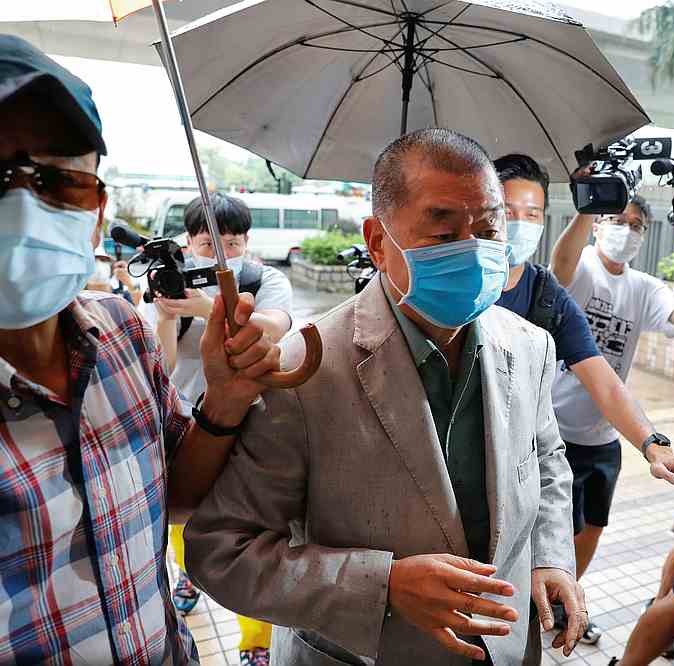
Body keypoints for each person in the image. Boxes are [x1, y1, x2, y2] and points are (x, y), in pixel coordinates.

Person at [183, 129, 585, 665]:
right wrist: (383, 586)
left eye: (489, 229)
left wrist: (551, 557)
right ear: (377, 241)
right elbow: (221, 550)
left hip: (503, 647)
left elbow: (549, 462)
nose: (472, 250)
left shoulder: (530, 345)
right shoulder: (304, 370)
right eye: (442, 234)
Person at [0, 34, 281, 663]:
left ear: (97, 212)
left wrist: (228, 397)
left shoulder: (118, 334)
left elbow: (176, 499)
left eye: (57, 180)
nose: (23, 207)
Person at [491, 153, 674, 645]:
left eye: (532, 214)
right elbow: (566, 259)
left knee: (577, 531)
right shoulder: (472, 287)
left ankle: (558, 598)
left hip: (560, 446)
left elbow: (605, 378)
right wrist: (589, 205)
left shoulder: (548, 294)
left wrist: (653, 444)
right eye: (508, 211)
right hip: (500, 454)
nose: (521, 224)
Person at [139, 193, 293, 666]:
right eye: (209, 244)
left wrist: (209, 308)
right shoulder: (168, 285)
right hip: (187, 433)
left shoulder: (261, 279)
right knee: (184, 525)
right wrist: (167, 316)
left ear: (247, 242)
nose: (222, 253)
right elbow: (157, 370)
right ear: (187, 243)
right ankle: (190, 573)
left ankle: (255, 645)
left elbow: (275, 329)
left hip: (252, 432)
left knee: (256, 542)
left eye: (233, 242)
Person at [546, 196, 674, 638]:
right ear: (598, 225)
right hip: (552, 433)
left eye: (637, 225)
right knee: (554, 531)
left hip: (603, 437)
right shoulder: (578, 270)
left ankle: (567, 602)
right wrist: (588, 204)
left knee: (592, 528)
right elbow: (560, 264)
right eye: (618, 220)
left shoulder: (645, 287)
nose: (627, 230)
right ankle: (535, 599)